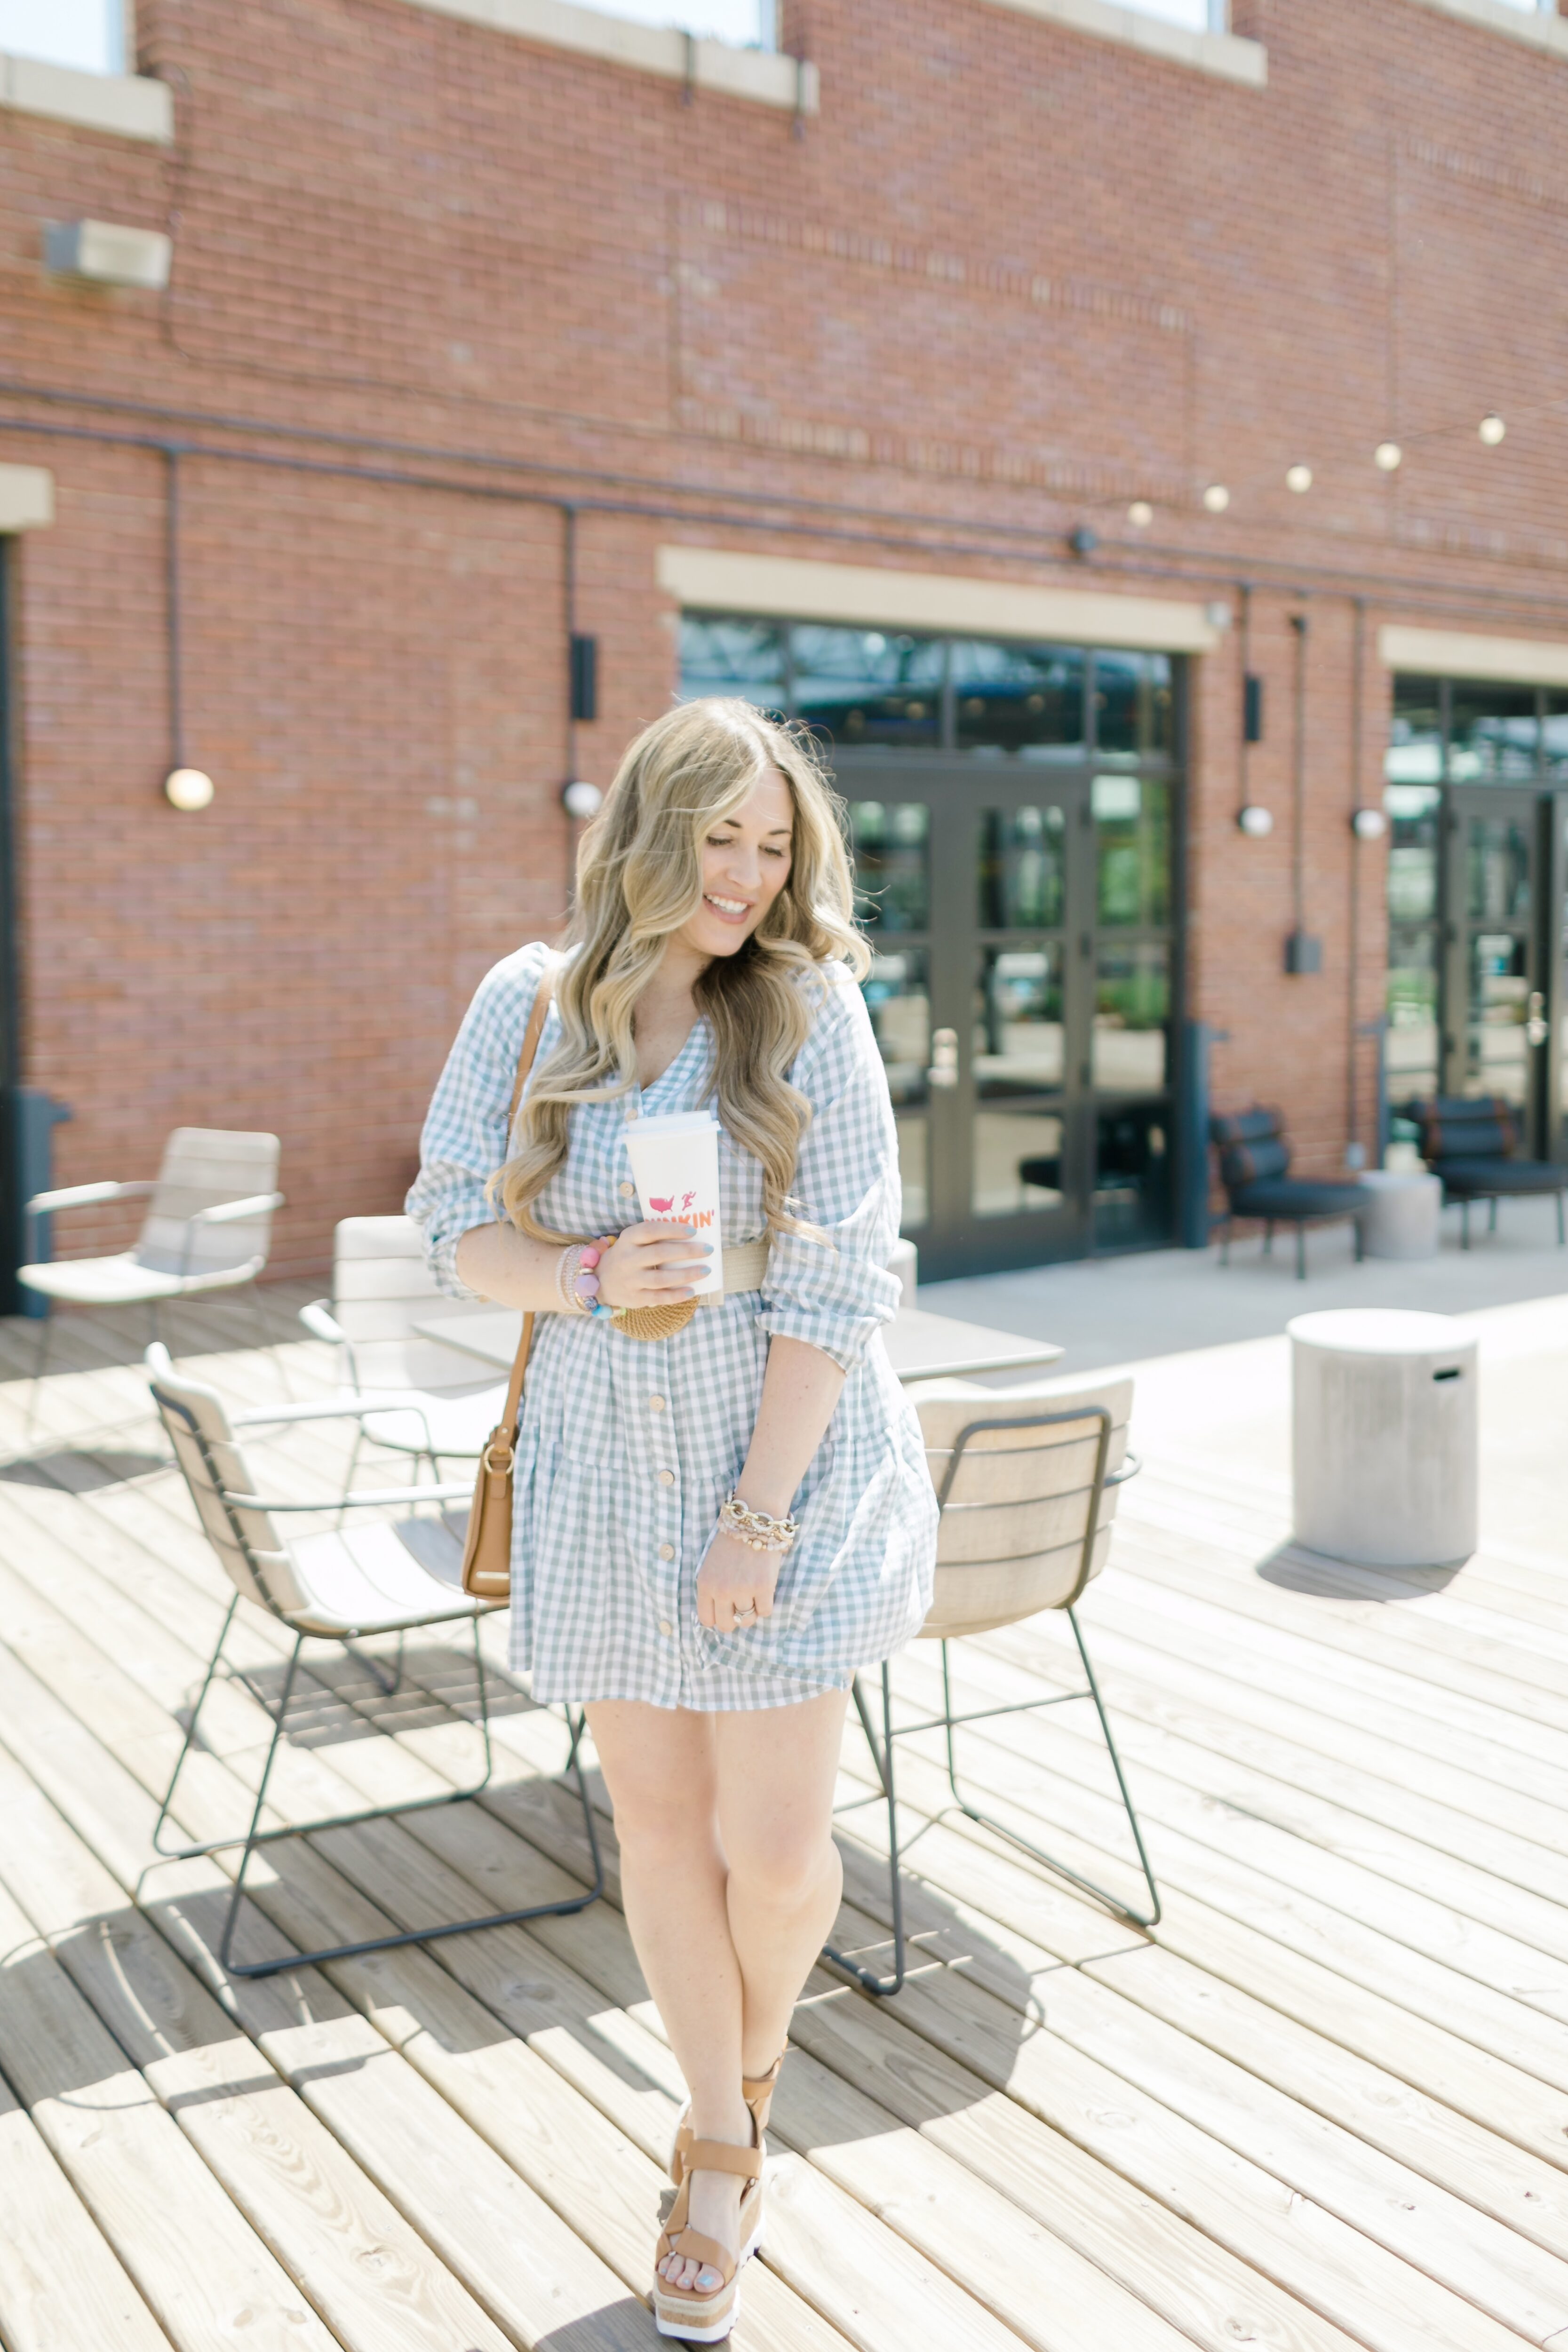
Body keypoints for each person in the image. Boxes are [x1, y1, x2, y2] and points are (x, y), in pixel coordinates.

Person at [407, 697, 937, 2341]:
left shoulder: (807, 1006)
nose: (749, 874)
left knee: (775, 1857)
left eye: (774, 847)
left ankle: (753, 2079)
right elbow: (445, 1225)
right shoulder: (529, 1000)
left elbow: (844, 1274)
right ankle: (718, 2147)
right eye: (722, 838)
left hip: (785, 1458)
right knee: (657, 1826)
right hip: (600, 1458)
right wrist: (578, 1273)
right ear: (653, 828)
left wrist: (757, 1523)